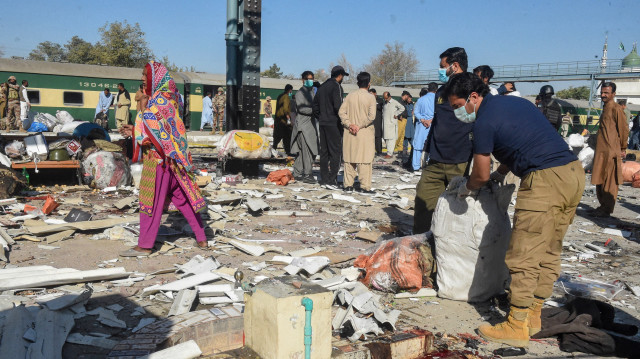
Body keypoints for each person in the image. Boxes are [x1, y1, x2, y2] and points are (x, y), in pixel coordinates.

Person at [445, 72, 584, 348]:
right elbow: (524, 140)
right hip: (573, 174)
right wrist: (503, 171)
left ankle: (516, 325)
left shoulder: (483, 122)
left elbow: (480, 175)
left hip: (545, 180)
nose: (457, 112)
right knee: (549, 249)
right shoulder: (516, 104)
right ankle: (533, 315)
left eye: (457, 106)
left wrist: (467, 189)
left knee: (524, 253)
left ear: (474, 97)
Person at [120, 61, 207, 256]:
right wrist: (135, 131)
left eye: (145, 75)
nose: (142, 78)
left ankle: (145, 245)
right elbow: (165, 129)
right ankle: (201, 237)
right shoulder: (172, 98)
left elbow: (153, 130)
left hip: (159, 160)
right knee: (182, 199)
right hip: (174, 160)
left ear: (155, 78)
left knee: (150, 202)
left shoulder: (158, 101)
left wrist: (138, 131)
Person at [413, 47, 473, 234]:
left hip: (460, 161)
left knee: (460, 210)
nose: (440, 70)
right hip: (436, 160)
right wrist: (427, 148)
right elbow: (438, 120)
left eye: (442, 66)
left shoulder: (473, 87)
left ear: (454, 66)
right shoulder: (441, 91)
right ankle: (423, 244)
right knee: (424, 201)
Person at [591, 82, 629, 218]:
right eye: (602, 92)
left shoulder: (616, 108)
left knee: (610, 181)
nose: (603, 95)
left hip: (611, 151)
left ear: (613, 94)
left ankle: (607, 209)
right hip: (601, 151)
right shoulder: (606, 108)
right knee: (599, 179)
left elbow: (624, 130)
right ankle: (602, 206)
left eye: (606, 93)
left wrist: (623, 148)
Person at [339, 72, 377, 193]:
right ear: (369, 84)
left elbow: (341, 112)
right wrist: (359, 126)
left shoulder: (350, 96)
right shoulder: (371, 97)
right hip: (364, 132)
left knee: (350, 159)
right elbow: (372, 117)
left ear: (357, 83)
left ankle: (348, 185)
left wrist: (349, 124)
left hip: (350, 132)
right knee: (364, 159)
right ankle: (364, 186)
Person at [313, 65, 348, 187]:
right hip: (334, 123)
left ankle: (323, 178)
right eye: (343, 76)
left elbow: (315, 107)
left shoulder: (322, 87)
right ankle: (332, 178)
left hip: (322, 123)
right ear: (340, 76)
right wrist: (343, 120)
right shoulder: (336, 86)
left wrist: (321, 117)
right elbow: (338, 106)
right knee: (336, 152)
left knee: (324, 152)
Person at [291, 71, 318, 183]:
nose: (310, 81)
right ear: (302, 80)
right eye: (308, 79)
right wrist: (315, 110)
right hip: (303, 126)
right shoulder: (300, 93)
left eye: (312, 79)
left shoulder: (311, 92)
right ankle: (307, 174)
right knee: (307, 151)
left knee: (304, 152)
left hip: (310, 125)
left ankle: (297, 173)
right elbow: (302, 109)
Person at [412, 83, 437, 172]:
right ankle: (428, 166)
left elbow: (416, 112)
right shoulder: (438, 99)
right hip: (433, 125)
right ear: (436, 90)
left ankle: (416, 167)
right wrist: (430, 120)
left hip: (421, 126)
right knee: (431, 146)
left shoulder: (421, 99)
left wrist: (423, 120)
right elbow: (439, 113)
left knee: (418, 146)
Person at [382, 91, 404, 159]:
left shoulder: (394, 102)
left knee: (391, 139)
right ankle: (389, 152)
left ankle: (390, 153)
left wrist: (396, 114)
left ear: (389, 96)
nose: (385, 100)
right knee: (386, 138)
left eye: (386, 98)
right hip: (385, 123)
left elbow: (402, 108)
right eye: (384, 98)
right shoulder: (385, 103)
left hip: (391, 123)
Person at [274, 84, 293, 155]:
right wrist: (288, 118)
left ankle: (273, 149)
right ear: (290, 90)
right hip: (284, 120)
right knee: (287, 136)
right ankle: (288, 151)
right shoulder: (286, 97)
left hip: (278, 119)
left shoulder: (280, 96)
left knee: (277, 137)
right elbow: (285, 109)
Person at [400, 91, 415, 162]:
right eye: (409, 99)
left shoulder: (411, 105)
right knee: (405, 137)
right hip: (406, 122)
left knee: (412, 137)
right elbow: (409, 113)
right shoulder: (405, 105)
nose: (410, 100)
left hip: (410, 123)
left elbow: (412, 113)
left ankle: (412, 151)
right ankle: (404, 152)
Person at [369, 88, 384, 156]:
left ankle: (379, 151)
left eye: (371, 94)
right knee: (370, 137)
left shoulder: (380, 100)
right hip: (370, 121)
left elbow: (381, 107)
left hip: (378, 120)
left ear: (375, 93)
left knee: (378, 137)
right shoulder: (368, 99)